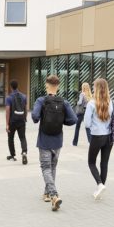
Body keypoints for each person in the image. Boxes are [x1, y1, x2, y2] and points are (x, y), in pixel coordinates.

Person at [31, 75, 77, 211]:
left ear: (46, 85)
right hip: (57, 140)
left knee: (45, 168)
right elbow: (73, 119)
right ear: (58, 86)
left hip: (44, 140)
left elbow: (34, 117)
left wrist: (40, 117)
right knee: (52, 168)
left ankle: (53, 195)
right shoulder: (64, 102)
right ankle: (47, 194)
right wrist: (62, 121)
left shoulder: (41, 100)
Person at [84, 79, 114, 200]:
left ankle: (99, 184)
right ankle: (100, 188)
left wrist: (94, 126)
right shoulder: (111, 102)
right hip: (109, 136)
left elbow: (86, 123)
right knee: (104, 163)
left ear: (96, 89)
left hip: (97, 136)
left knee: (91, 162)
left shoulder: (91, 104)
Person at [5, 79, 28, 164]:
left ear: (11, 87)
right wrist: (25, 118)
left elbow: (7, 111)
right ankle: (24, 152)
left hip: (12, 121)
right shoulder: (24, 96)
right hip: (21, 120)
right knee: (22, 137)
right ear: (17, 86)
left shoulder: (9, 98)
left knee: (10, 138)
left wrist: (7, 124)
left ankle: (12, 155)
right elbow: (25, 109)